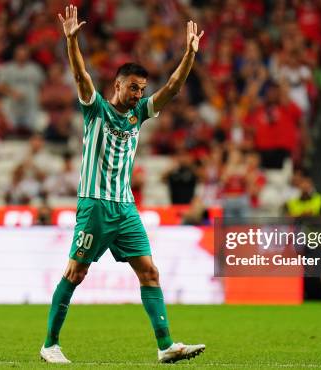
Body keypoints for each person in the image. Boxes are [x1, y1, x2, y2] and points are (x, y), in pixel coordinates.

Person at [40, 5, 205, 364]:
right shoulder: (95, 108)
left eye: (141, 89)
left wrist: (189, 54)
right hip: (95, 205)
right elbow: (81, 75)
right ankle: (50, 344)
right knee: (75, 272)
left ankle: (165, 346)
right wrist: (72, 41)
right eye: (133, 87)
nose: (137, 94)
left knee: (150, 271)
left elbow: (174, 87)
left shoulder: (139, 114)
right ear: (117, 84)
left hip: (125, 207)